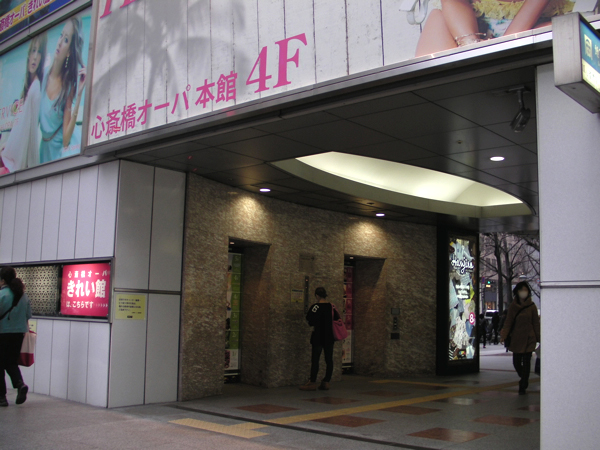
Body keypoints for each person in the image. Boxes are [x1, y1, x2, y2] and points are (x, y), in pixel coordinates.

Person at [415, 0, 573, 57]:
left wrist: (502, 47)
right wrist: (470, 43)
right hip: (466, 23)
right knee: (438, 18)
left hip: (532, 23)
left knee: (564, 29)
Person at [39, 17, 86, 164]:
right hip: (45, 149)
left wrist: (79, 95)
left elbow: (66, 140)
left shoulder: (68, 87)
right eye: (61, 35)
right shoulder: (42, 77)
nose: (59, 42)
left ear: (69, 52)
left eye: (65, 40)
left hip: (62, 151)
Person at [0, 34, 47, 174]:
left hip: (16, 165)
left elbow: (30, 134)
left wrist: (30, 169)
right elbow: (20, 130)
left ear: (42, 57)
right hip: (12, 158)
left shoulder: (35, 89)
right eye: (33, 50)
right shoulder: (29, 87)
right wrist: (7, 145)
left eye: (39, 52)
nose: (35, 57)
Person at [501, 281, 540, 395]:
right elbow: (508, 322)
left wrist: (539, 337)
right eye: (521, 290)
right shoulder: (513, 307)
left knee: (527, 362)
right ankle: (524, 377)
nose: (524, 292)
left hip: (529, 338)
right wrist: (504, 335)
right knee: (516, 363)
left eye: (525, 290)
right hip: (516, 339)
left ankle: (523, 384)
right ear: (517, 292)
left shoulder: (532, 306)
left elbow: (536, 323)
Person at [0, 267, 31, 407]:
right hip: (19, 334)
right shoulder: (23, 296)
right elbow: (28, 315)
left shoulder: (2, 295)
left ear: (2, 280)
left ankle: (2, 397)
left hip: (2, 333)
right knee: (11, 361)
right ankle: (20, 384)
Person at [300, 287, 340, 391]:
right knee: (329, 359)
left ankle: (312, 382)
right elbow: (337, 319)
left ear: (317, 295)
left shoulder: (315, 307)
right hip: (329, 336)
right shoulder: (331, 306)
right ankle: (326, 381)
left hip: (318, 336)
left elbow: (309, 320)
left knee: (315, 359)